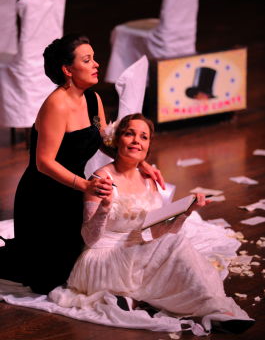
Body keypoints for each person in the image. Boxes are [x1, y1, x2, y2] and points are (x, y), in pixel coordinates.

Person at [50, 113, 254, 335]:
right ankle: (212, 309)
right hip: (104, 258)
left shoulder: (149, 180)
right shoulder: (101, 179)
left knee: (175, 244)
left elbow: (156, 231)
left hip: (136, 252)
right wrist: (105, 208)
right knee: (175, 246)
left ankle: (212, 307)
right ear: (117, 140)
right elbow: (89, 238)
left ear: (148, 147)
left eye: (143, 137)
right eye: (130, 134)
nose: (137, 140)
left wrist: (186, 212)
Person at [0, 34, 164, 295]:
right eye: (87, 60)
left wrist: (139, 162)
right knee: (49, 281)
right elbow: (44, 163)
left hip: (74, 191)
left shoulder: (92, 100)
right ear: (68, 70)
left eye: (94, 58)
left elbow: (103, 140)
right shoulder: (56, 105)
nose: (96, 64)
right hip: (43, 197)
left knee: (80, 267)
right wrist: (86, 184)